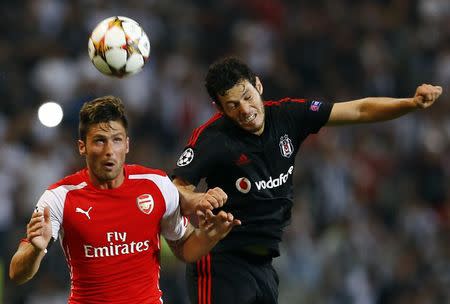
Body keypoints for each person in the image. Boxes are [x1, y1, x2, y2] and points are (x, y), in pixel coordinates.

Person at [172, 57, 443, 304]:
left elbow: (359, 110)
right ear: (219, 108)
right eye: (232, 105)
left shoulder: (289, 116)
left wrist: (410, 103)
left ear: (259, 85)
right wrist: (197, 199)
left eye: (247, 96)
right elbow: (175, 189)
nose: (245, 109)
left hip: (264, 264)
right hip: (221, 261)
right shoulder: (212, 139)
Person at [9, 96, 240, 304]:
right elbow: (17, 273)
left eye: (116, 140)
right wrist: (36, 251)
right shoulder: (59, 196)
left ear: (127, 144)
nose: (110, 150)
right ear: (82, 147)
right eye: (99, 140)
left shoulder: (157, 185)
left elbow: (185, 250)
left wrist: (211, 235)